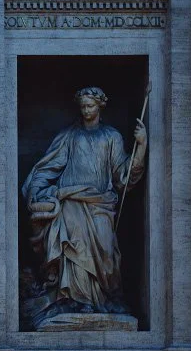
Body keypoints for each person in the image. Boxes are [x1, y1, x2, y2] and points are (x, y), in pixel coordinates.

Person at [22, 86, 145, 324]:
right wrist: (37, 191)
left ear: (100, 107)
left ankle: (103, 299)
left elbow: (123, 175)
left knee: (106, 253)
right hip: (71, 203)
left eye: (90, 106)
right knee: (73, 249)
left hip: (101, 204)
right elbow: (48, 167)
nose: (86, 111)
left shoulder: (111, 137)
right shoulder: (70, 136)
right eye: (83, 107)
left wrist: (140, 146)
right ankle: (76, 300)